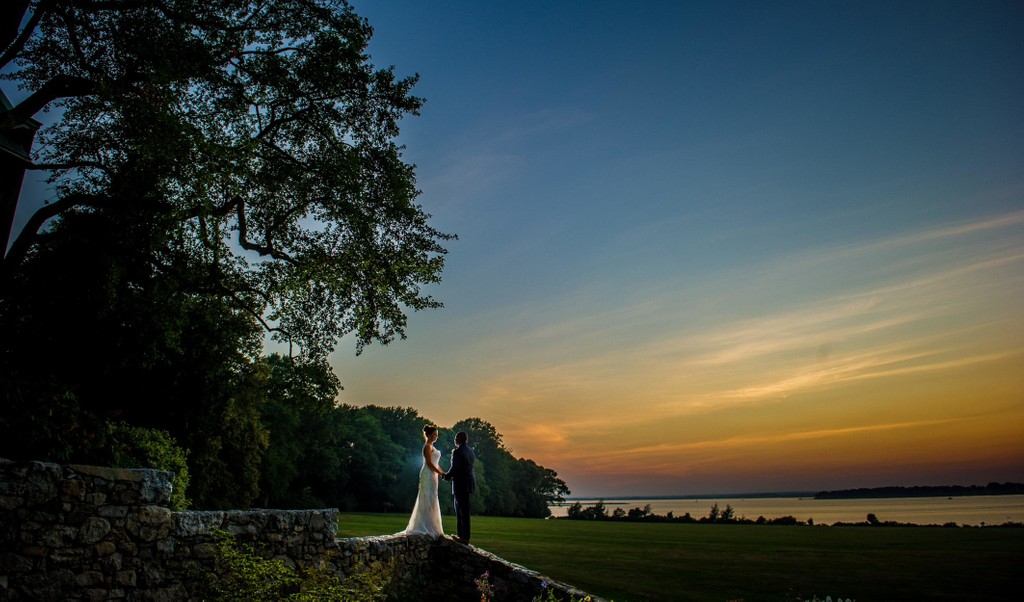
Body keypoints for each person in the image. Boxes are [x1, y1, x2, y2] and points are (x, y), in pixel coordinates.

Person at [401, 425, 446, 537]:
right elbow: (429, 463)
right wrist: (439, 473)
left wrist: (443, 472)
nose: (436, 436)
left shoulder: (432, 446)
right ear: (430, 435)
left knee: (432, 497)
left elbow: (436, 464)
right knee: (426, 496)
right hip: (428, 473)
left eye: (437, 434)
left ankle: (432, 525)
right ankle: (425, 525)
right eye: (435, 434)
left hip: (433, 474)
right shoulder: (427, 447)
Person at [443, 430, 476, 543]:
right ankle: (463, 536)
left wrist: (446, 476)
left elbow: (455, 468)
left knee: (460, 511)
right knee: (464, 510)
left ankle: (463, 537)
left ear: (459, 439)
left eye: (456, 437)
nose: (454, 439)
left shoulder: (457, 451)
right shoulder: (470, 450)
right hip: (469, 483)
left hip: (460, 484)